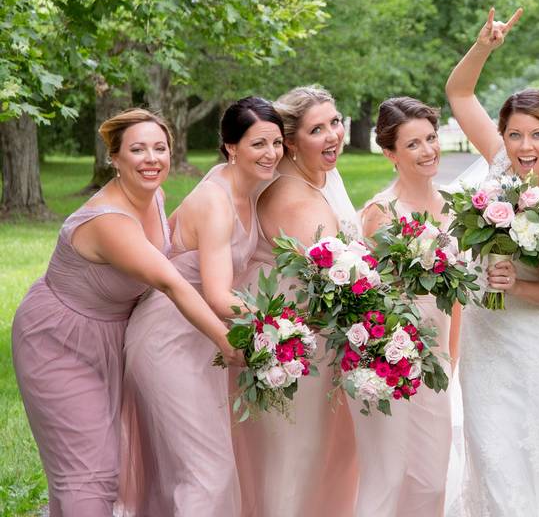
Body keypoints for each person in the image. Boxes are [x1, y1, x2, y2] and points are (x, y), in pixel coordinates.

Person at [11, 109, 239, 517]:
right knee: (89, 472)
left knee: (100, 461)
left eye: (160, 148)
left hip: (114, 334)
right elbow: (171, 283)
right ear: (114, 159)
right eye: (137, 150)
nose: (152, 159)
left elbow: (179, 256)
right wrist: (226, 340)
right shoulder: (109, 222)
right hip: (58, 339)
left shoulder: (155, 198)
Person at [444, 7, 539, 516]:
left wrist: (515, 284)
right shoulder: (498, 168)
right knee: (495, 461)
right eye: (514, 135)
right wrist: (485, 44)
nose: (525, 146)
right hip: (487, 342)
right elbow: (459, 94)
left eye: (537, 136)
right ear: (502, 138)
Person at [118, 97, 283, 516]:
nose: (271, 153)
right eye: (258, 143)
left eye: (277, 143)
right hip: (167, 340)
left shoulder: (246, 189)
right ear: (231, 147)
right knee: (207, 470)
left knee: (203, 466)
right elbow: (217, 294)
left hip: (203, 343)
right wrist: (281, 325)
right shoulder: (215, 199)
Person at [233, 86, 359, 517]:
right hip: (300, 335)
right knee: (295, 450)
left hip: (321, 332)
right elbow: (333, 284)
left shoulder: (322, 174)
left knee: (320, 447)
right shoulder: (291, 194)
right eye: (317, 129)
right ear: (290, 141)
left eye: (335, 122)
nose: (333, 136)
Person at [353, 96, 461, 516]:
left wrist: (453, 355)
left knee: (431, 478)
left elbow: (456, 294)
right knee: (389, 476)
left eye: (431, 138)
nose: (428, 150)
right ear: (390, 153)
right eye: (413, 144)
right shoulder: (383, 213)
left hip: (435, 355)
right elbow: (374, 300)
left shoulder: (453, 206)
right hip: (390, 357)